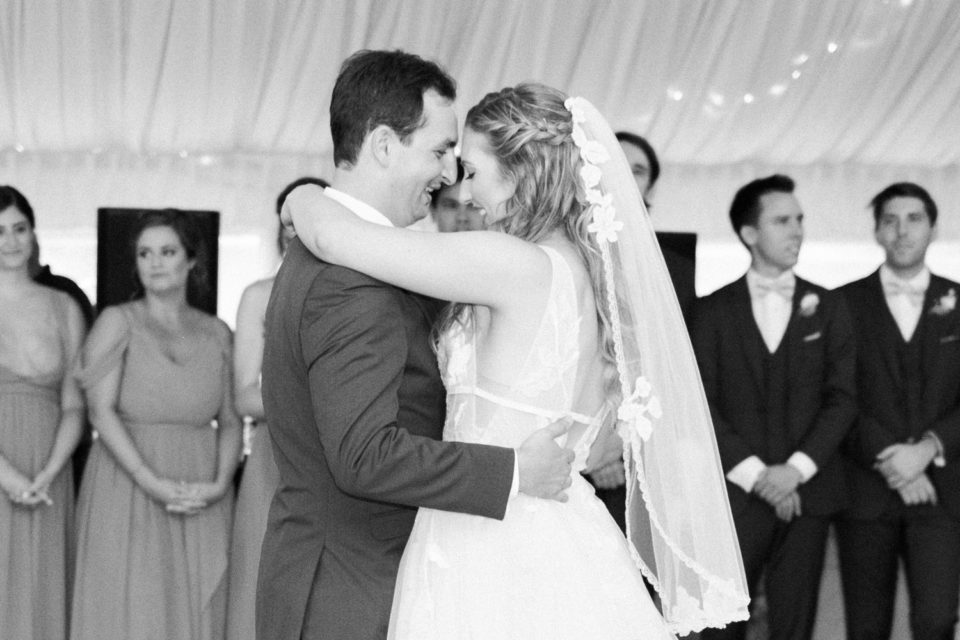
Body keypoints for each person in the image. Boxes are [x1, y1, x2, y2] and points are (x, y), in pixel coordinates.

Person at [283, 77, 750, 637]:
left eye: (474, 171)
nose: (461, 189)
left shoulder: (511, 263)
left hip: (485, 539)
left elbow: (337, 241)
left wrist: (302, 198)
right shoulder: (583, 273)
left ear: (522, 170)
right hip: (565, 530)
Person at [257, 51, 577, 640]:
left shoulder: (344, 254)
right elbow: (364, 456)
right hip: (351, 590)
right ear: (383, 145)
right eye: (437, 151)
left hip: (351, 572)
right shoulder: (350, 279)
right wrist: (512, 471)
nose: (449, 176)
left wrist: (303, 199)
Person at [690, 175, 856, 640]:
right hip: (733, 498)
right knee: (719, 626)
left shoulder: (829, 306)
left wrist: (795, 472)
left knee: (795, 627)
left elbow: (843, 400)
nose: (797, 230)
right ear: (748, 233)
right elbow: (699, 404)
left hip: (810, 493)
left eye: (800, 220)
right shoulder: (710, 311)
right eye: (782, 220)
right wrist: (757, 476)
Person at [70, 209, 242, 640]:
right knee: (131, 610)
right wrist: (151, 481)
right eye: (145, 253)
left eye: (167, 251)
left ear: (191, 260)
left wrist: (220, 484)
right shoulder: (117, 321)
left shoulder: (218, 332)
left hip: (200, 489)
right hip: (127, 485)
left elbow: (232, 418)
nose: (155, 262)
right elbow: (100, 412)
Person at [836, 182, 960, 640]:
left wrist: (927, 449)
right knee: (866, 628)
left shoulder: (959, 300)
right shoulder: (841, 303)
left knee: (936, 621)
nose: (902, 231)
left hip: (943, 494)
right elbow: (836, 395)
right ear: (876, 232)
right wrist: (893, 457)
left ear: (933, 228)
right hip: (866, 490)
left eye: (914, 219)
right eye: (890, 220)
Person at [225, 176, 328, 640]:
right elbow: (245, 395)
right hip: (274, 455)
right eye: (288, 220)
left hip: (338, 455)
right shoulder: (258, 296)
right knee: (260, 583)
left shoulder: (360, 292)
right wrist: (317, 399)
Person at [0, 185, 85, 639]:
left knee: (43, 587)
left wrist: (50, 470)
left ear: (33, 234)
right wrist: (7, 476)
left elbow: (74, 403)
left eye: (19, 228)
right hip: (4, 465)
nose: (11, 241)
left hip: (49, 467)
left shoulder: (64, 306)